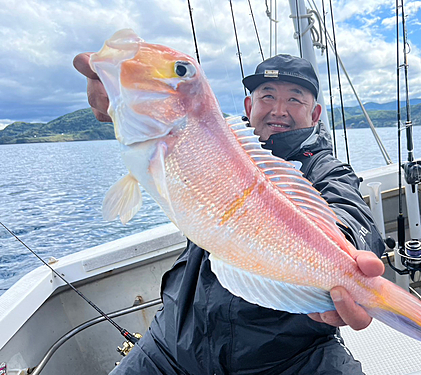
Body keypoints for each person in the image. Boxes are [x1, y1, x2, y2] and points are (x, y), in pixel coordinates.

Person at [74, 52, 386, 374]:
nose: (279, 109)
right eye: (267, 96)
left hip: (290, 357)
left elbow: (350, 213)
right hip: (172, 344)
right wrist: (124, 100)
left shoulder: (326, 170)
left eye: (295, 99)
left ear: (315, 114)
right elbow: (166, 133)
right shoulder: (206, 144)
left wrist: (345, 259)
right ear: (249, 107)